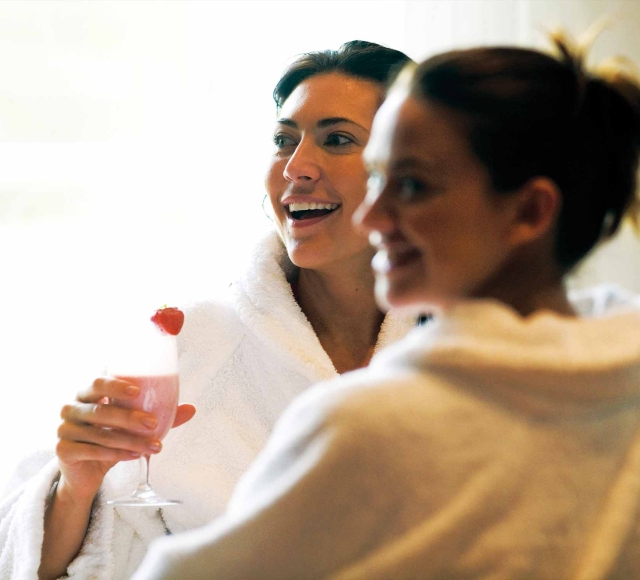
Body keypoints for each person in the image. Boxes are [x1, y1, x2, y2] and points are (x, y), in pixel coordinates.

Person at [131, 32, 640, 580]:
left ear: (530, 212)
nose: (373, 217)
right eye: (378, 177)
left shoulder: (370, 428)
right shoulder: (622, 390)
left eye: (413, 185)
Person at [0, 41, 416, 580]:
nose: (296, 166)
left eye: (337, 139)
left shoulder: (471, 351)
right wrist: (76, 484)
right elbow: (66, 559)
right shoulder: (196, 343)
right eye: (282, 141)